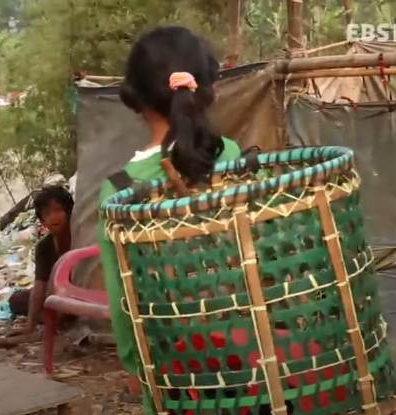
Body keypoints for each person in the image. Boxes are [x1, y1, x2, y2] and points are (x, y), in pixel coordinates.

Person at [97, 26, 243, 412]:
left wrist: (134, 363)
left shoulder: (119, 191)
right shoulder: (229, 155)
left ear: (135, 98)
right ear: (205, 88)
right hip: (246, 352)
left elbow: (122, 298)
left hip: (171, 370)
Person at [9, 185, 73, 334]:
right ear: (42, 221)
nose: (53, 217)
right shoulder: (44, 247)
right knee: (17, 299)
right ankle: (49, 318)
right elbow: (40, 286)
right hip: (54, 295)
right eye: (47, 214)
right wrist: (30, 324)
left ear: (69, 211)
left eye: (58, 210)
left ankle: (55, 318)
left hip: (79, 294)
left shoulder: (81, 237)